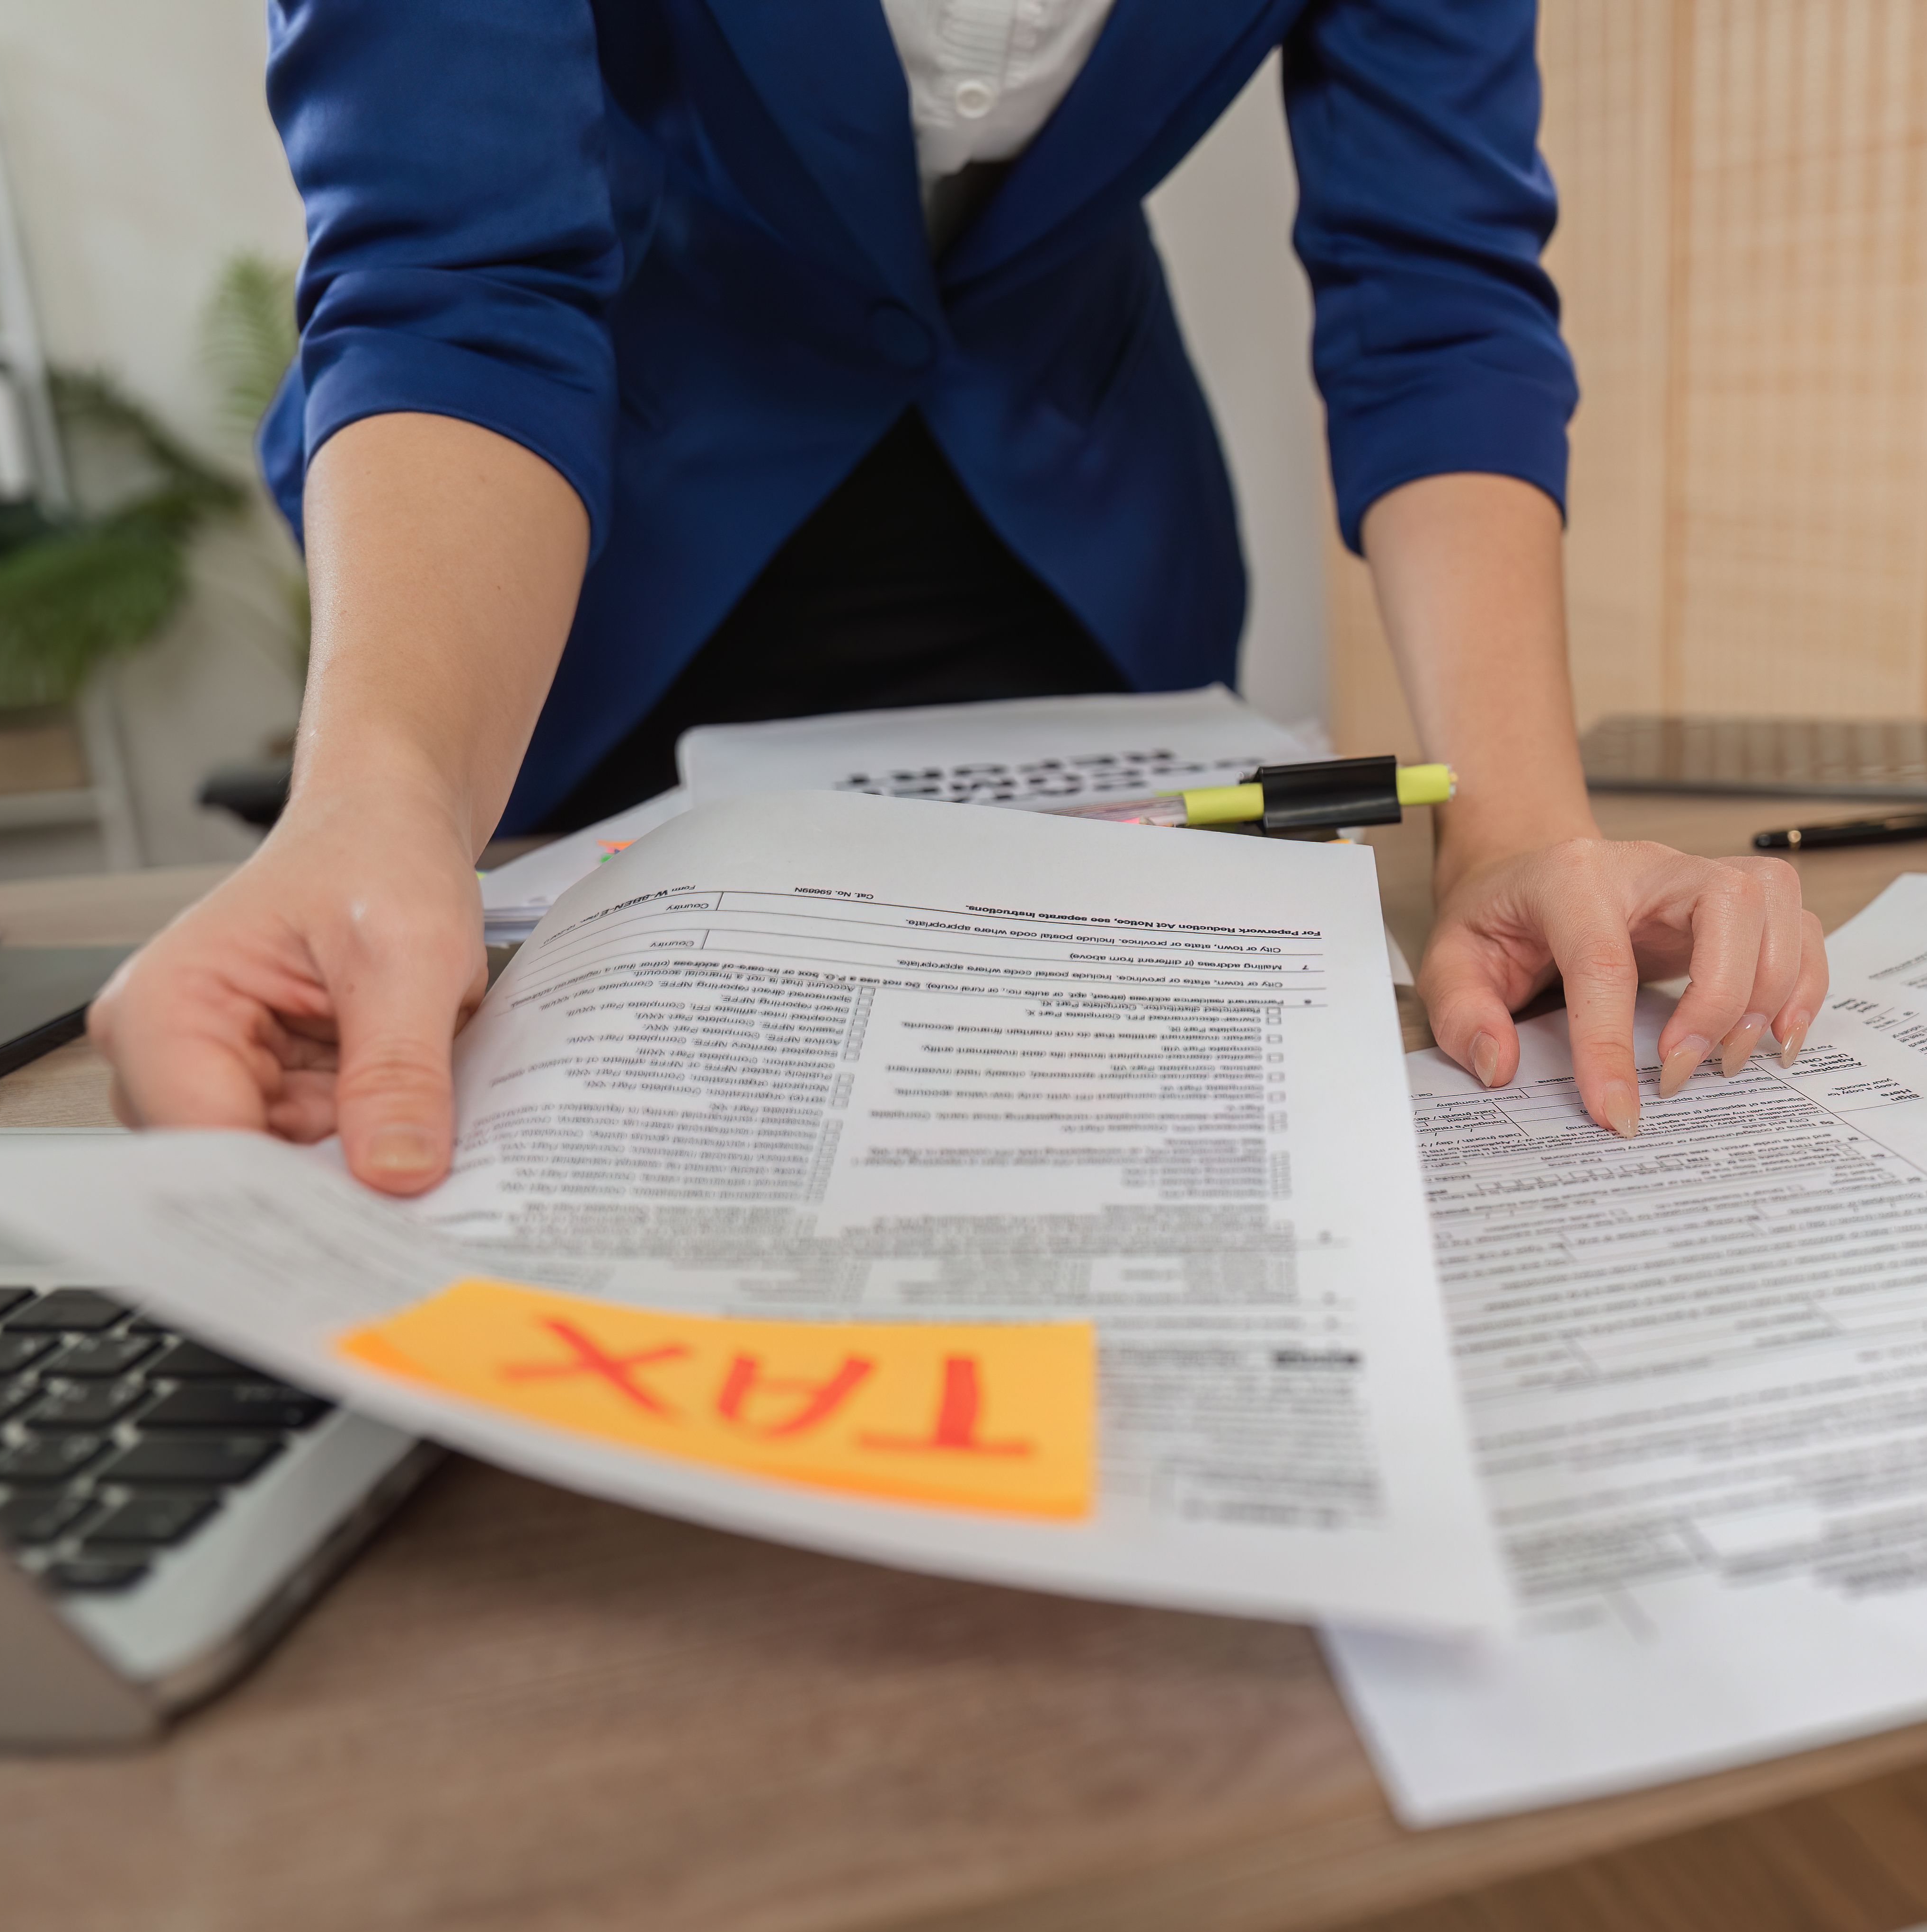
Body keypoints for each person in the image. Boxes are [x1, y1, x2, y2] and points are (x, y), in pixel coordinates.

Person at [92, 0, 1827, 1192]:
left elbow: (1438, 290)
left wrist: (1519, 827)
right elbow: (458, 267)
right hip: (581, 535)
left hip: (1076, 531)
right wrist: (385, 794)